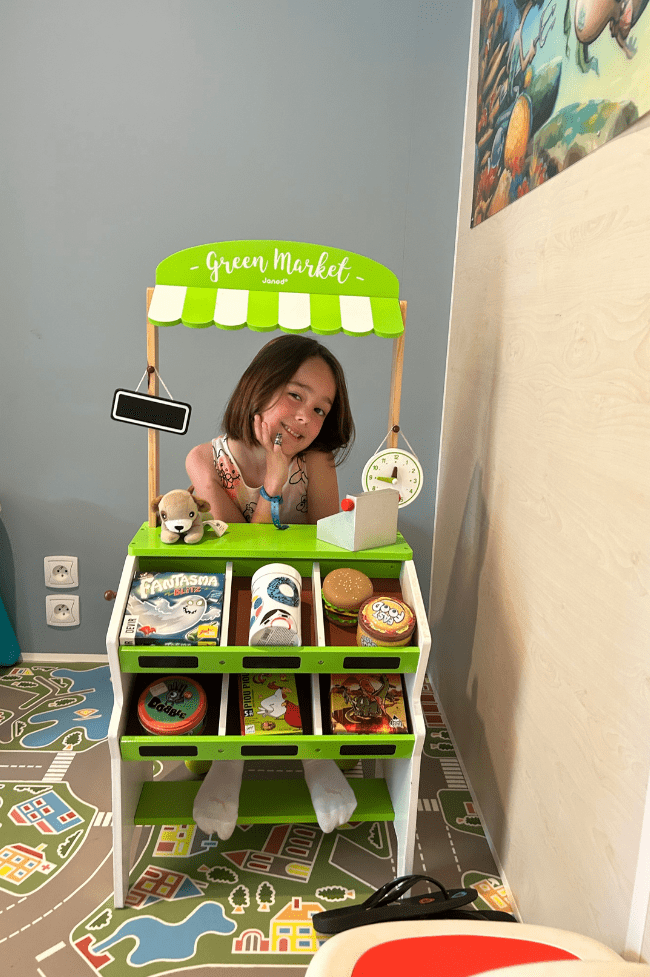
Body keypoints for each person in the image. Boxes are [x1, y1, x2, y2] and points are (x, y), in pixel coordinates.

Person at [186, 334, 358, 840]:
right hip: (236, 603)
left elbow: (329, 552)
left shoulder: (319, 461)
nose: (307, 417)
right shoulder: (206, 460)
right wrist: (274, 481)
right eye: (296, 395)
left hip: (301, 600)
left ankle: (316, 754)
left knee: (319, 632)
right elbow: (239, 553)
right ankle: (228, 759)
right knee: (233, 634)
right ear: (259, 386)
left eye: (322, 408)